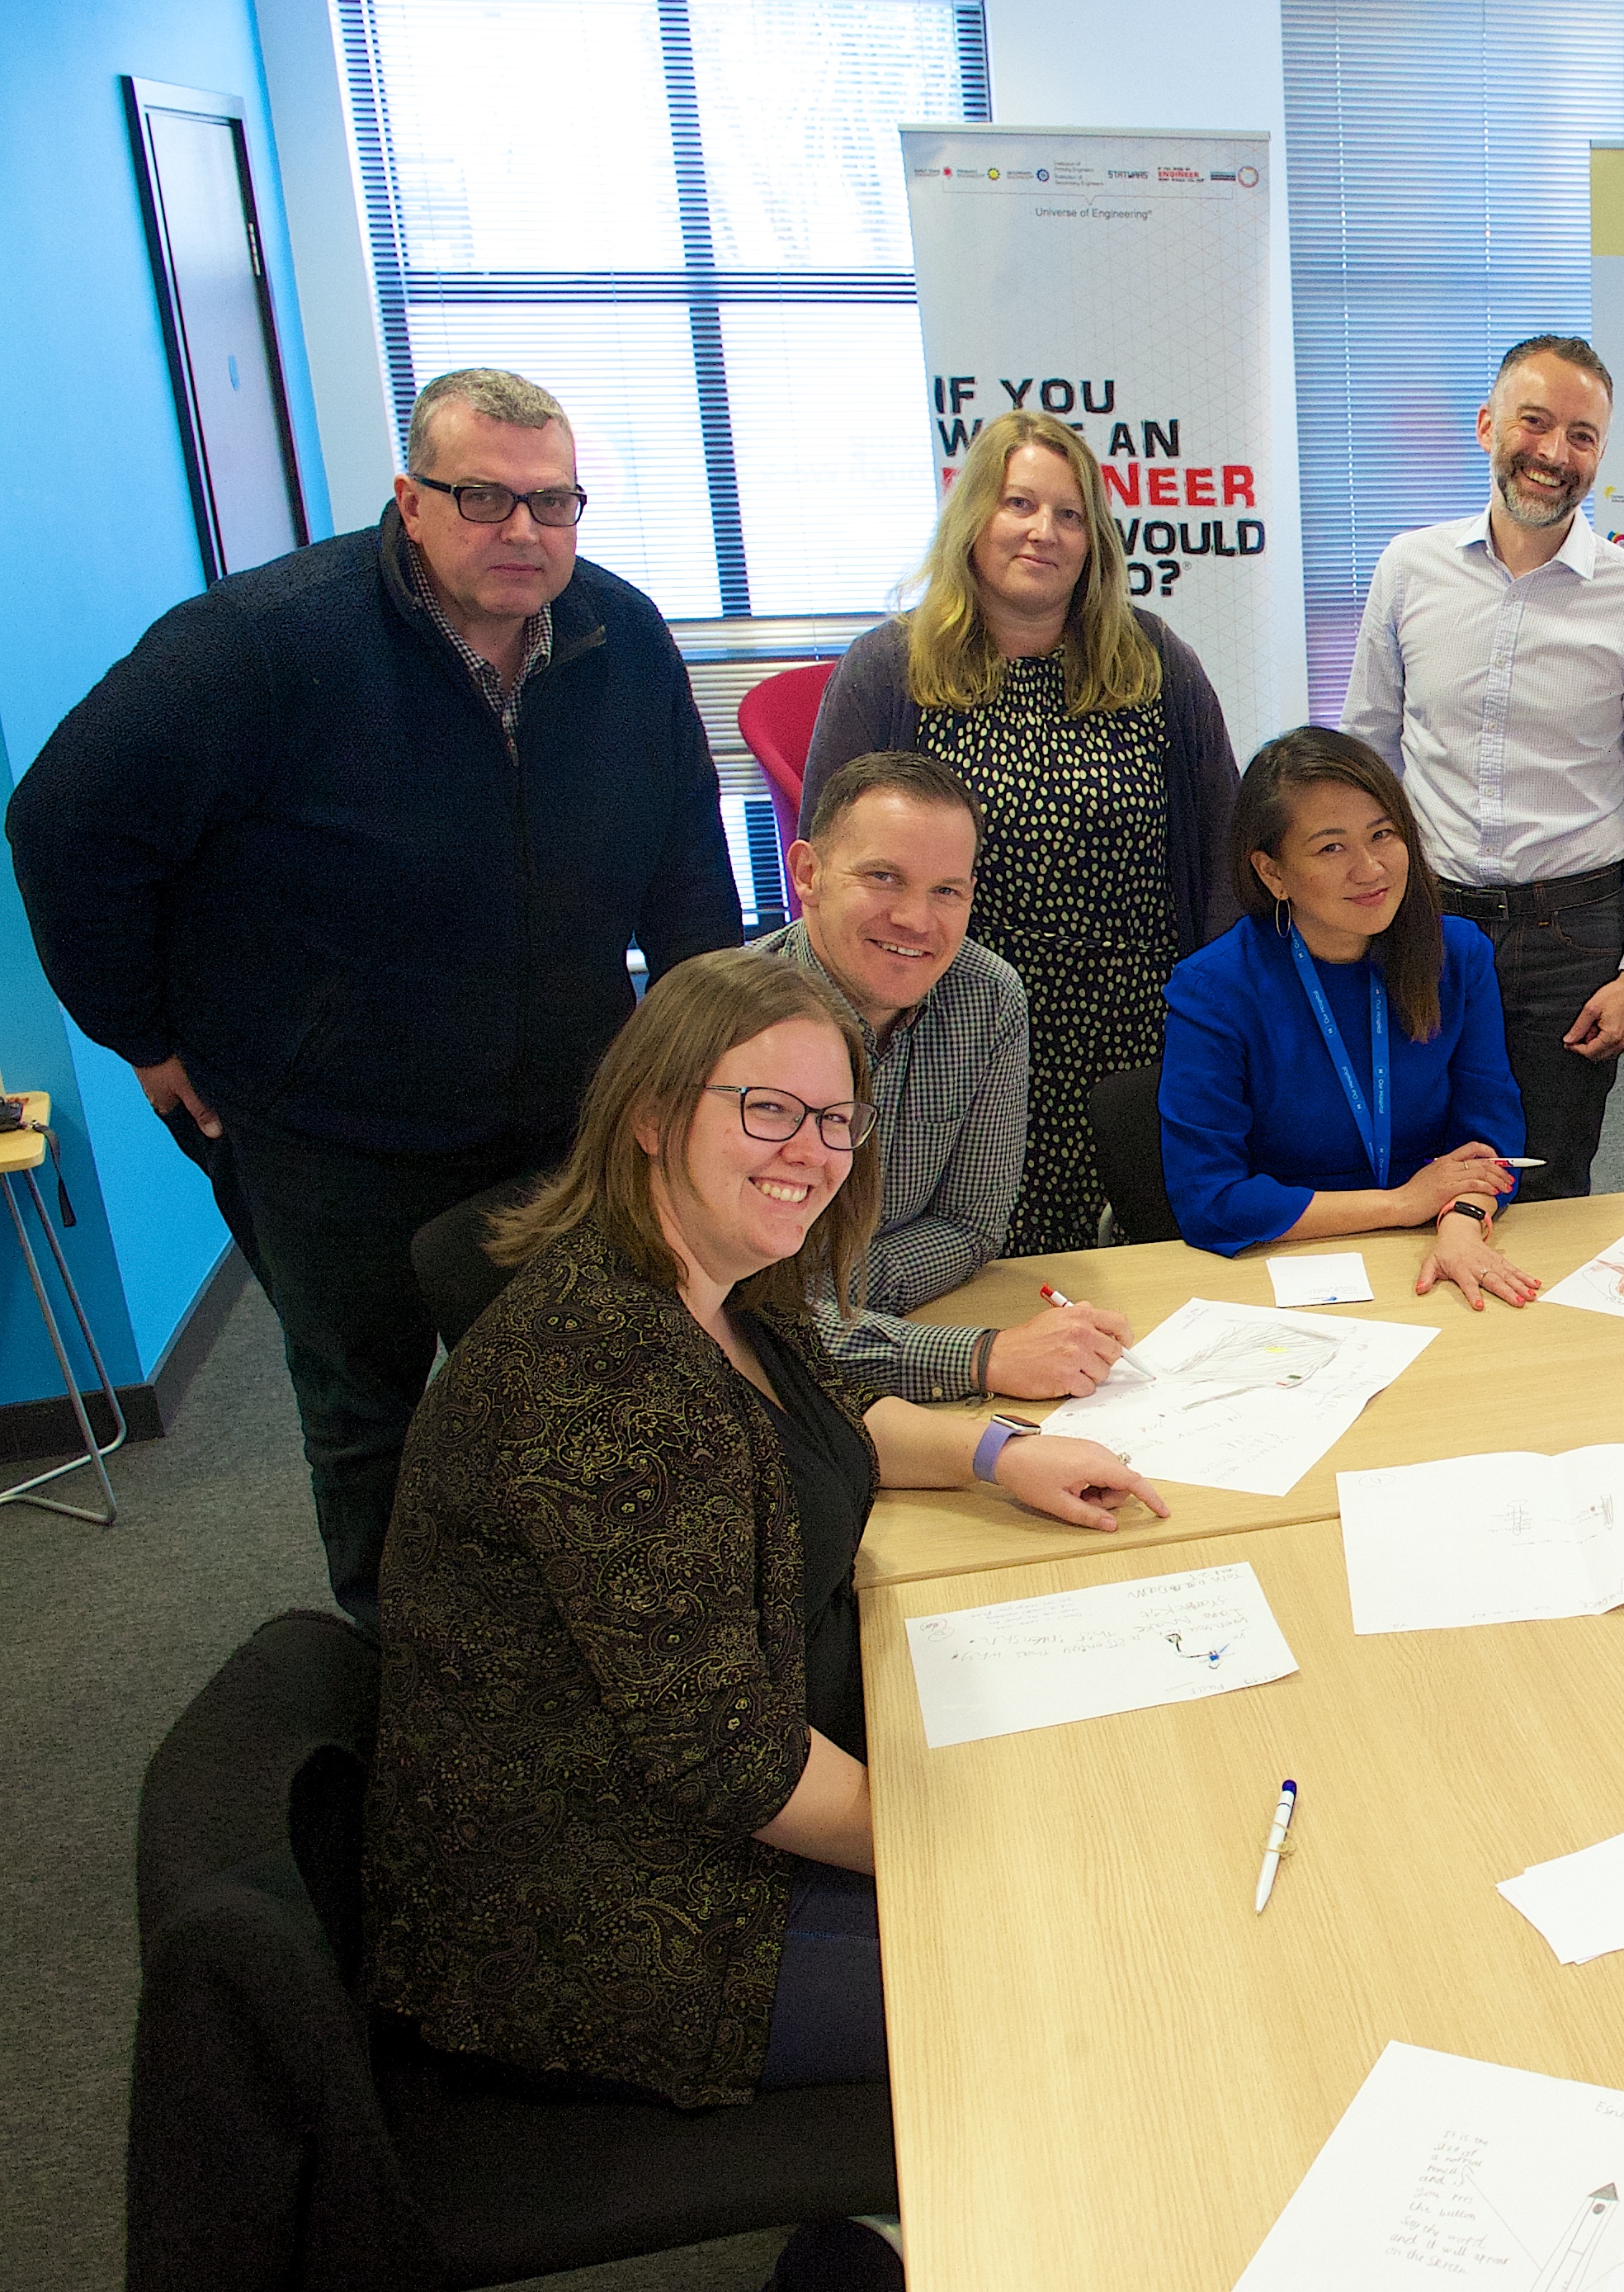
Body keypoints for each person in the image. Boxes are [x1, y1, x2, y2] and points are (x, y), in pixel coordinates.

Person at [361, 949, 1163, 2124]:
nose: (812, 1153)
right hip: (609, 1907)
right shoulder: (611, 1380)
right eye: (768, 1109)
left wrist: (1002, 1453)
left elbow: (824, 1421)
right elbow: (736, 1765)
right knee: (1073, 1970)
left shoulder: (715, 1286)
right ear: (649, 1116)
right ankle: (865, 2269)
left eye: (836, 1120)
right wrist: (991, 1859)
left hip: (706, 1786)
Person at [5, 366, 739, 1632]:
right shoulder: (261, 647)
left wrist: (697, 1052)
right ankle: (408, 1698)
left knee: (586, 1398)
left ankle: (579, 1667)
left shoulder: (622, 639)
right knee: (371, 1428)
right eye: (483, 498)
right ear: (410, 500)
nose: (522, 531)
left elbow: (684, 852)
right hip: (333, 1134)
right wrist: (142, 1031)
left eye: (553, 502)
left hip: (566, 1112)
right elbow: (67, 824)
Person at [808, 409, 1240, 1255]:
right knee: (968, 1253)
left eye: (1070, 514)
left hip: (1136, 1025)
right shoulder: (888, 670)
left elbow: (1223, 852)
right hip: (953, 1024)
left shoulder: (1153, 662)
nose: (1044, 532)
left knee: (1147, 1257)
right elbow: (833, 867)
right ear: (974, 518)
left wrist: (1222, 1028)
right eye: (1018, 505)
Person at [1340, 333, 1624, 1201]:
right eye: (1532, 423)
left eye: (1580, 436)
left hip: (1572, 941)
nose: (1552, 454)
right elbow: (1364, 761)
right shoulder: (1407, 569)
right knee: (1408, 1164)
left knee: (1545, 1178)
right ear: (1485, 426)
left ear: (1600, 453)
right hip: (1423, 923)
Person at [753, 748, 1128, 1401]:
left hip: (895, 1332)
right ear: (807, 874)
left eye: (946, 891)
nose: (915, 921)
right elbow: (744, 1306)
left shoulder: (988, 998)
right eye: (883, 878)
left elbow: (972, 1226)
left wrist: (834, 1289)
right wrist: (982, 1356)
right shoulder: (729, 1026)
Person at [1154, 730, 1535, 1307]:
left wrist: (1458, 1222)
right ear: (1272, 872)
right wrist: (1403, 1203)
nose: (1371, 868)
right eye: (1332, 848)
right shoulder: (1215, 988)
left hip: (1433, 1244)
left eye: (1383, 834)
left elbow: (1490, 1137)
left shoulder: (1456, 955)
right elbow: (1210, 1199)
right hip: (1283, 1264)